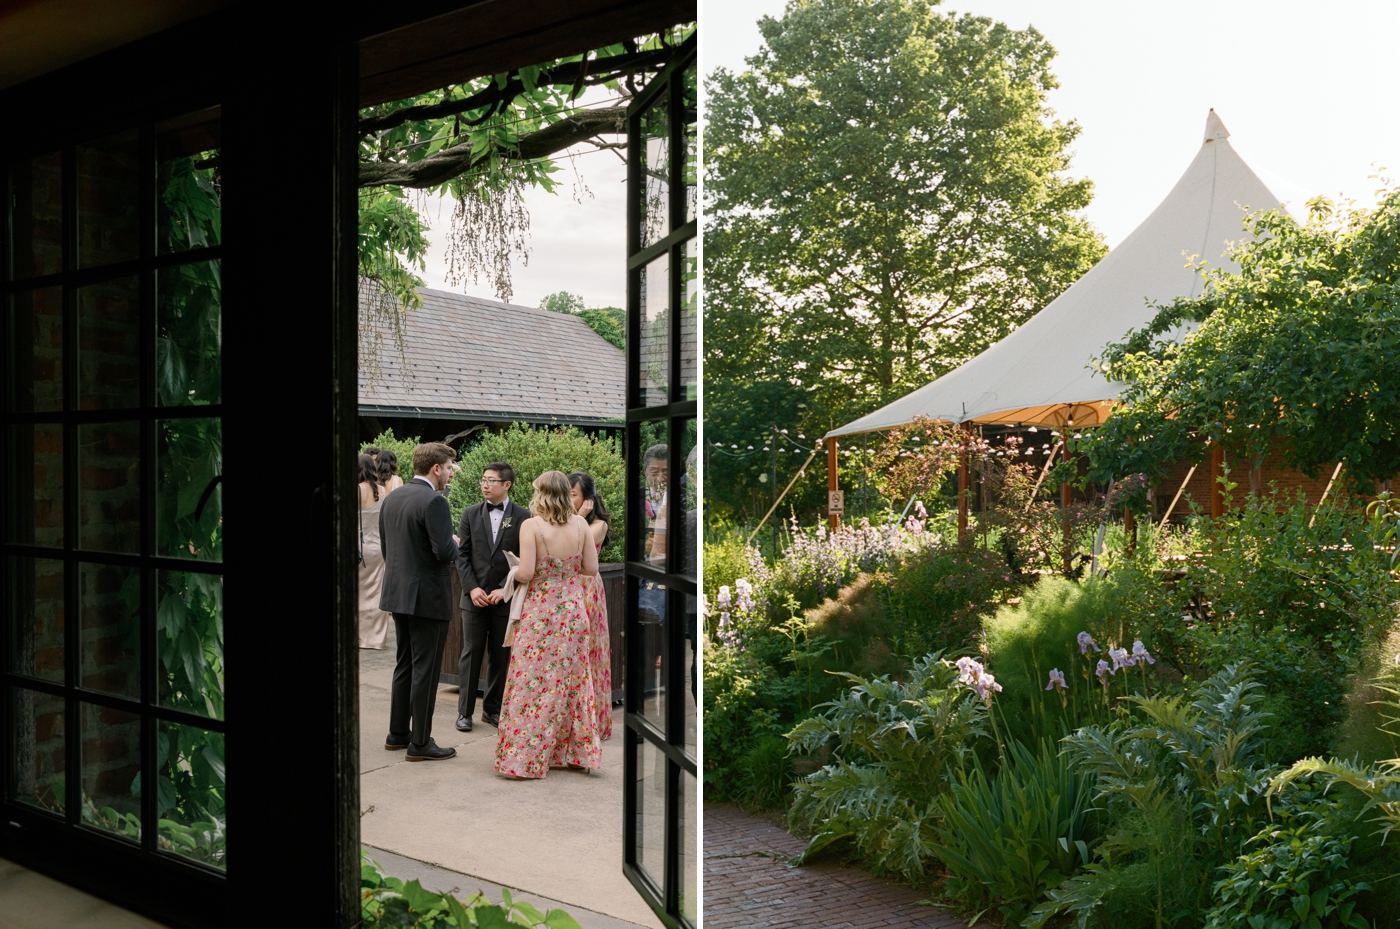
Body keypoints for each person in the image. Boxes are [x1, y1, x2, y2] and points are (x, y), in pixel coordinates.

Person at [495, 470, 601, 779]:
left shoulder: (532, 526)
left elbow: (526, 573)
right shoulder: (582, 524)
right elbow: (590, 568)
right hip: (572, 611)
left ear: (542, 494)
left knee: (533, 682)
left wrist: (514, 571)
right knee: (575, 681)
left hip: (541, 614)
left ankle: (526, 760)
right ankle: (577, 754)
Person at [379, 442, 460, 762]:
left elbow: (389, 549)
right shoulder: (434, 501)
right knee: (425, 670)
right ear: (436, 468)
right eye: (449, 468)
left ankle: (397, 733)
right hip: (428, 595)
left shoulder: (393, 498)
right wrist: (456, 543)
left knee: (405, 664)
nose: (451, 474)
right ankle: (421, 742)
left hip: (398, 592)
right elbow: (443, 552)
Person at [454, 462, 528, 732]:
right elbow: (461, 556)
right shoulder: (470, 513)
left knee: (500, 655)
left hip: (504, 597)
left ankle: (492, 710)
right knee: (471, 653)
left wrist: (503, 588)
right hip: (473, 597)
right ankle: (464, 712)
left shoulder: (523, 516)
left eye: (491, 481)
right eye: (483, 480)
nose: (485, 485)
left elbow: (524, 559)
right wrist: (472, 588)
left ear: (506, 485)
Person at [569, 471, 613, 739]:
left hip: (587, 588)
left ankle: (591, 720)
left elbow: (577, 543)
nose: (568, 499)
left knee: (588, 651)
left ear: (588, 499)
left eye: (573, 494)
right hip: (568, 587)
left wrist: (581, 516)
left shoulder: (597, 525)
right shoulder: (569, 521)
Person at [357, 453, 394, 649]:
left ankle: (357, 636)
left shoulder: (355, 490)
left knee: (358, 592)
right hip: (378, 547)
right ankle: (375, 639)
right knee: (376, 591)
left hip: (357, 547)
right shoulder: (382, 490)